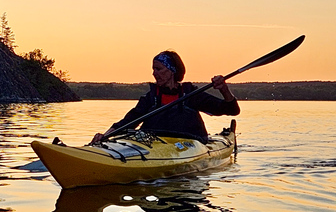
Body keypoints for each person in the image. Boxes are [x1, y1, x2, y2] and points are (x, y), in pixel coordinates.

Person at [92, 50, 240, 144]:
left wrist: (224, 89)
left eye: (158, 69)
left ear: (172, 71)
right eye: (153, 69)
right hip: (154, 145)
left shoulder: (191, 95)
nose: (154, 73)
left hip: (190, 145)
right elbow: (127, 123)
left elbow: (232, 110)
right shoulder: (150, 98)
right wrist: (104, 137)